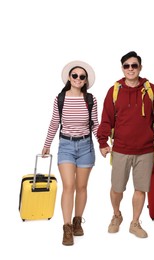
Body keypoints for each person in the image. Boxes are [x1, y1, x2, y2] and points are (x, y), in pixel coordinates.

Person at [97, 51, 154, 238]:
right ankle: (117, 215)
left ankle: (135, 222)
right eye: (127, 66)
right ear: (122, 68)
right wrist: (102, 141)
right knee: (117, 189)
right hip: (121, 149)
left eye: (134, 65)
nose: (130, 69)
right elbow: (106, 119)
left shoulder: (151, 89)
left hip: (145, 150)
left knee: (140, 189)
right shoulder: (114, 90)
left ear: (140, 67)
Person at [42, 60, 99, 246]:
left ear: (85, 80)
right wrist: (47, 144)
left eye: (82, 77)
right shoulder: (60, 99)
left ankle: (77, 222)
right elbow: (54, 123)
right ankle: (66, 228)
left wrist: (103, 144)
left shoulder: (90, 100)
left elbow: (95, 125)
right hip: (66, 145)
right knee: (69, 186)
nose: (78, 79)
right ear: (69, 77)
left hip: (85, 147)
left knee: (82, 187)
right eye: (74, 75)